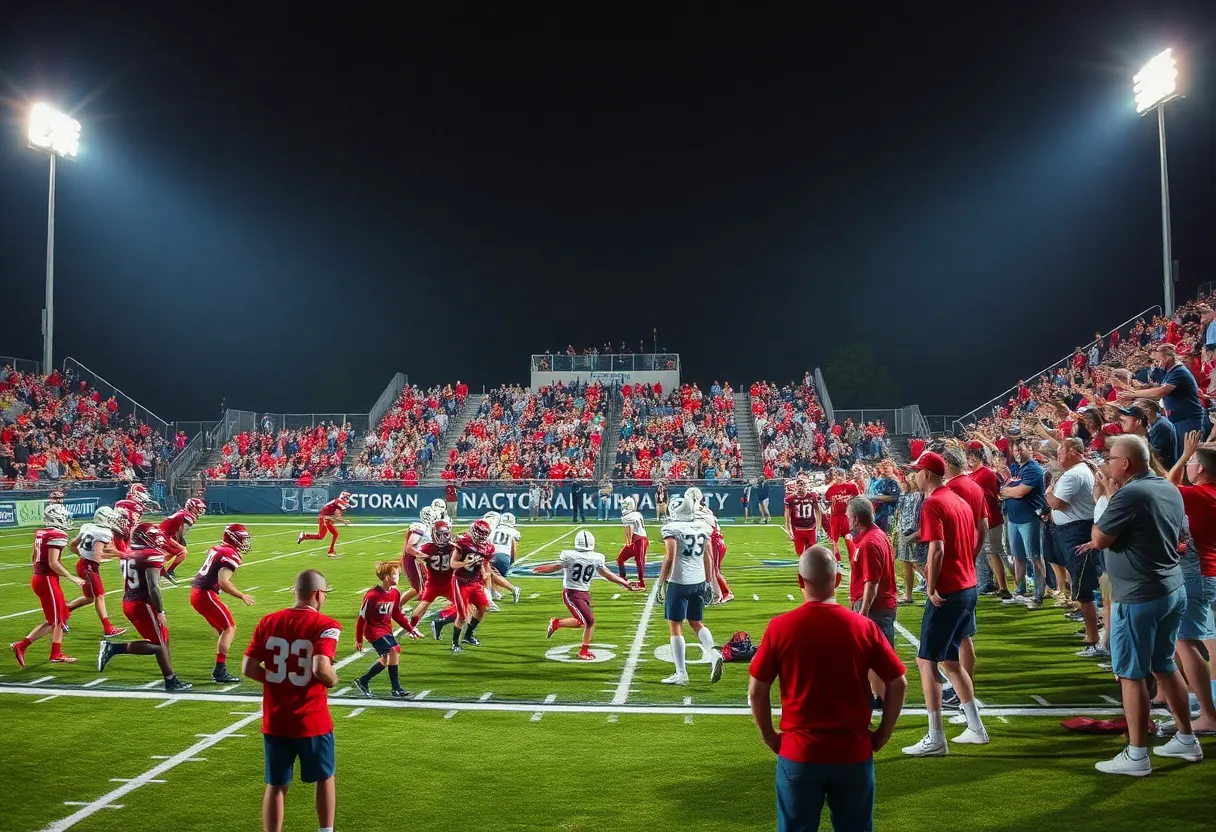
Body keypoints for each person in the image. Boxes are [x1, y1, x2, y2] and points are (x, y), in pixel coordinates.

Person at [748, 545, 907, 832]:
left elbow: (756, 691)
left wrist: (770, 737)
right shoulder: (864, 627)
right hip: (853, 752)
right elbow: (898, 682)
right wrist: (883, 733)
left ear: (800, 580)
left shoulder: (780, 627)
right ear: (838, 580)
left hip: (799, 752)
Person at [1089, 434, 1202, 774]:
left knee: (1131, 674)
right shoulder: (1168, 487)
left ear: (1125, 463)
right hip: (1170, 588)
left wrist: (1109, 496)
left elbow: (1099, 539)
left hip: (1139, 595)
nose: (1107, 464)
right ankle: (1186, 739)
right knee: (1163, 664)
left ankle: (1137, 755)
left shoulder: (1130, 494)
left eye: (1111, 458)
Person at [901, 452, 989, 755]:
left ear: (927, 473)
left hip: (949, 590)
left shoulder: (934, 502)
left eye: (917, 470)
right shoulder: (958, 500)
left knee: (926, 661)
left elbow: (937, 550)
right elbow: (976, 532)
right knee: (950, 660)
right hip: (967, 586)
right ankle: (976, 727)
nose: (914, 475)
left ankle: (936, 736)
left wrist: (931, 586)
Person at [242, 569, 341, 832]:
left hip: (275, 718)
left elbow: (248, 668)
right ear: (318, 594)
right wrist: (333, 679)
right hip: (312, 719)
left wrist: (278, 681)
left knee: (276, 784)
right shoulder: (326, 625)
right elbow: (321, 668)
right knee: (325, 777)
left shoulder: (268, 621)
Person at [98, 522, 192, 691]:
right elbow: (153, 587)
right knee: (158, 646)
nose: (158, 540)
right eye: (154, 536)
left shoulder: (129, 553)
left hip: (129, 601)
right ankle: (113, 648)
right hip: (142, 604)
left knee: (163, 640)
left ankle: (171, 680)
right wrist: (160, 611)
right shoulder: (151, 554)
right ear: (144, 537)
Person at [1167, 431, 1216, 734]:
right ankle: (1208, 706)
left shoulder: (1199, 494)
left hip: (1196, 574)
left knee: (1186, 642)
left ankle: (1208, 716)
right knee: (1199, 640)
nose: (1187, 466)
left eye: (1192, 462)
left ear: (1202, 468)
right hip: (1208, 571)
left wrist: (1184, 454)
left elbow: (1167, 487)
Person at [536, 530, 637, 659]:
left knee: (581, 622)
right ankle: (583, 651)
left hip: (584, 593)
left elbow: (606, 574)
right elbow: (557, 566)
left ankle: (556, 623)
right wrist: (543, 569)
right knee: (589, 621)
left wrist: (623, 582)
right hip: (572, 593)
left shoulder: (579, 557)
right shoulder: (591, 557)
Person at [657, 490, 724, 685]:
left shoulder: (673, 528)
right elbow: (708, 556)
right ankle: (713, 654)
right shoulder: (703, 527)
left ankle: (681, 673)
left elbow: (669, 558)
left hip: (679, 582)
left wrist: (661, 582)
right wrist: (710, 583)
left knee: (675, 626)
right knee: (696, 622)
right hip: (699, 581)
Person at [1044, 439, 1102, 655]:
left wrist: (1049, 493)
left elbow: (1057, 502)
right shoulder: (1076, 471)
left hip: (1077, 531)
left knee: (1083, 585)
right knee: (1080, 582)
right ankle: (1092, 631)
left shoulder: (1075, 473)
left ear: (1075, 452)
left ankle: (1093, 636)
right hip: (1073, 530)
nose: (1058, 456)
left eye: (1062, 451)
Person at [10, 504, 82, 667]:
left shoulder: (42, 532)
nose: (66, 520)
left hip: (40, 578)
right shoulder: (57, 534)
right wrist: (73, 578)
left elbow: (34, 556)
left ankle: (23, 646)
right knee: (57, 619)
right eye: (63, 516)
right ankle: (53, 654)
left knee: (59, 617)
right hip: (46, 579)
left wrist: (39, 572)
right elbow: (53, 562)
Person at [846, 497, 899, 708]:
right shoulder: (877, 535)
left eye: (848, 516)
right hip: (878, 604)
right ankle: (877, 697)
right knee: (872, 657)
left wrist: (863, 611)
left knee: (879, 656)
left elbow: (872, 582)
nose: (847, 520)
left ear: (856, 519)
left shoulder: (869, 542)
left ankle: (885, 699)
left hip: (875, 606)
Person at [189, 523, 257, 683]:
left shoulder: (219, 548)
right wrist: (241, 595)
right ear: (234, 538)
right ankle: (219, 671)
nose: (244, 542)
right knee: (229, 628)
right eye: (242, 539)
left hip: (197, 593)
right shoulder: (230, 554)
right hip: (205, 594)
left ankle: (220, 667)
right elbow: (223, 582)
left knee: (223, 630)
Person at [353, 560, 414, 697]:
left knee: (389, 657)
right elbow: (361, 618)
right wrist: (359, 639)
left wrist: (410, 629)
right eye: (396, 574)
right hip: (373, 630)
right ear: (387, 577)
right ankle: (396, 688)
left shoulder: (395, 593)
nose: (399, 576)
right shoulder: (372, 595)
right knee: (393, 651)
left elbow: (396, 613)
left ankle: (363, 680)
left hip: (385, 629)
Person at [1000, 438, 1049, 609]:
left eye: (1021, 449)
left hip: (1029, 519)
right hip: (1013, 519)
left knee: (1035, 557)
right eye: (1015, 450)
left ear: (1030, 449)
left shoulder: (1033, 469)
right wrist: (1008, 491)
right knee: (1018, 557)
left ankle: (1038, 596)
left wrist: (1007, 492)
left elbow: (1021, 492)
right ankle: (1020, 591)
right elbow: (1002, 490)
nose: (1017, 453)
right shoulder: (1015, 468)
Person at [65, 506, 128, 637]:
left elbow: (72, 545)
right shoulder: (104, 533)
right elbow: (99, 555)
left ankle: (62, 612)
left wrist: (82, 555)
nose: (113, 521)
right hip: (89, 567)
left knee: (89, 598)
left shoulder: (87, 526)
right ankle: (108, 628)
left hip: (83, 564)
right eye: (110, 519)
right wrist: (123, 555)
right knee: (100, 595)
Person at [159, 497, 206, 583]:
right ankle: (169, 571)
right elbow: (180, 531)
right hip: (164, 535)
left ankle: (158, 567)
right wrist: (180, 540)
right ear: (192, 507)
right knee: (183, 552)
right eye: (199, 508)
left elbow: (175, 529)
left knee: (174, 552)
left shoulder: (184, 514)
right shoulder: (188, 517)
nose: (201, 510)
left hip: (163, 534)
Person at [400, 505, 440, 607]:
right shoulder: (420, 527)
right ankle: (418, 611)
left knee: (420, 587)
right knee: (424, 588)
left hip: (416, 560)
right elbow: (409, 548)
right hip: (414, 560)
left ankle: (397, 606)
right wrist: (426, 557)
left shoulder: (425, 528)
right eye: (434, 517)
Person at [297, 492, 351, 557]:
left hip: (324, 517)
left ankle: (304, 536)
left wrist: (342, 520)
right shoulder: (338, 502)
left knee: (320, 536)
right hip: (324, 518)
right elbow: (336, 516)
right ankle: (331, 551)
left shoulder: (337, 502)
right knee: (335, 534)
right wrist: (344, 521)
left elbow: (335, 516)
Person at [487, 512, 523, 606]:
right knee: (491, 573)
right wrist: (511, 562)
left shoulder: (493, 530)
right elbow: (513, 550)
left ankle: (512, 589)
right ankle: (494, 593)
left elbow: (488, 546)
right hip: (505, 558)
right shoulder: (514, 532)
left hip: (494, 556)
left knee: (486, 571)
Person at [824, 468, 860, 562]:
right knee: (834, 539)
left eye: (841, 475)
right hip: (835, 516)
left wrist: (850, 500)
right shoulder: (831, 488)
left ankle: (852, 558)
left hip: (847, 515)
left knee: (849, 536)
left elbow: (857, 497)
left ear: (845, 476)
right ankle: (837, 559)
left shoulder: (851, 486)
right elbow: (827, 500)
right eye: (836, 476)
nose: (839, 478)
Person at [784, 475, 822, 557]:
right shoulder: (790, 499)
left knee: (811, 552)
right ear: (796, 486)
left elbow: (818, 512)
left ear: (807, 485)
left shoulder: (813, 497)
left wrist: (818, 527)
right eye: (799, 485)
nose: (801, 487)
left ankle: (809, 564)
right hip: (797, 529)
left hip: (811, 528)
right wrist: (788, 529)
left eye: (803, 485)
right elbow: (787, 515)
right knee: (800, 552)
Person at [616, 496, 649, 588]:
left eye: (625, 505)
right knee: (620, 558)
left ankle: (642, 582)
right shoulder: (637, 514)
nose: (623, 506)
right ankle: (622, 577)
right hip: (638, 540)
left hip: (640, 540)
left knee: (639, 561)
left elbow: (629, 530)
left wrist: (629, 543)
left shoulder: (628, 516)